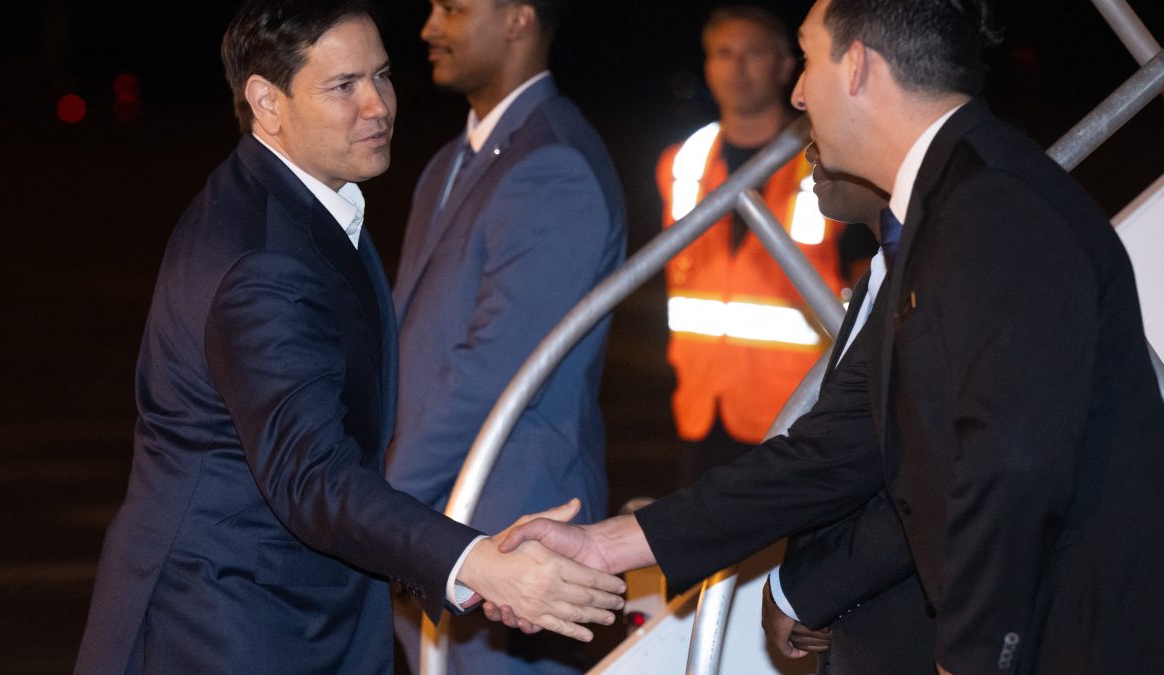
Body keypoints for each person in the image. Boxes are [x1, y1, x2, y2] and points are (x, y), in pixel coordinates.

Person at [498, 1, 1164, 673]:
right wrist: (606, 546)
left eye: (808, 57)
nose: (795, 91)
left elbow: (1012, 468)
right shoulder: (945, 208)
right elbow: (833, 448)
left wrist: (970, 657)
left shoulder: (993, 212)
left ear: (857, 67)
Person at [72, 2, 624, 673]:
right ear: (267, 104)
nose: (379, 106)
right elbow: (311, 475)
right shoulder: (263, 257)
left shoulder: (309, 203)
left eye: (383, 77)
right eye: (344, 87)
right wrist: (471, 559)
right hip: (226, 623)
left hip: (288, 605)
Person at [384, 0, 626, 673]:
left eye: (454, 9)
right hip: (441, 526)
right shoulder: (451, 160)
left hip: (511, 534)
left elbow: (490, 368)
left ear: (520, 18)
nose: (430, 26)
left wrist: (379, 508)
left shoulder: (554, 165)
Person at [760, 141, 936, 675]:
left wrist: (807, 586)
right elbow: (843, 452)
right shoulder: (886, 270)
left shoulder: (941, 272)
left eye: (819, 128)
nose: (809, 151)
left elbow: (932, 479)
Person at [658, 4, 844, 484]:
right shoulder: (682, 162)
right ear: (707, 66)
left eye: (753, 54)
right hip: (700, 407)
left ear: (787, 66)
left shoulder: (833, 161)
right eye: (724, 53)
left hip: (797, 412)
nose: (736, 68)